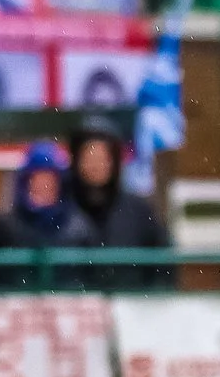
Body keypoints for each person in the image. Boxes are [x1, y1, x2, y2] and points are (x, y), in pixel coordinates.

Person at [66, 117, 171, 287]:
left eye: (102, 158)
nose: (95, 165)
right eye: (89, 157)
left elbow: (162, 266)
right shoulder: (60, 210)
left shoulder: (139, 212)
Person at [0, 141, 98, 280]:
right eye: (37, 178)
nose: (43, 185)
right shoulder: (4, 229)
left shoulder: (80, 229)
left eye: (50, 179)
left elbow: (93, 279)